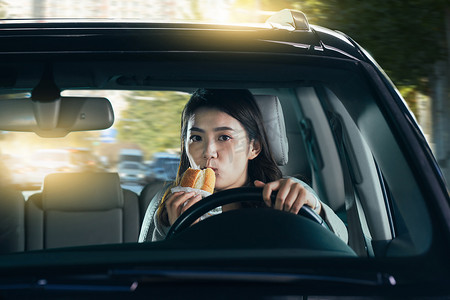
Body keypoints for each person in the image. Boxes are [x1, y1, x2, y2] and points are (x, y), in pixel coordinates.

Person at [139, 89, 348, 243]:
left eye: (224, 137)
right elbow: (146, 277)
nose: (208, 151)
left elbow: (342, 243)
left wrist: (316, 209)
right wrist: (179, 234)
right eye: (196, 137)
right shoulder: (167, 204)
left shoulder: (284, 194)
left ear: (253, 147)